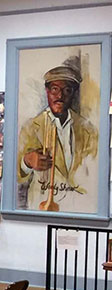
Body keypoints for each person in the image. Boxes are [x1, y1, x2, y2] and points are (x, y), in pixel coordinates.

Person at [17, 57, 99, 211]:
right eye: (55, 89)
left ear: (73, 94)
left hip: (78, 207)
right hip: (41, 206)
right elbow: (16, 173)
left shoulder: (88, 130)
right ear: (47, 91)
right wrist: (27, 161)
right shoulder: (31, 127)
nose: (60, 96)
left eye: (67, 90)